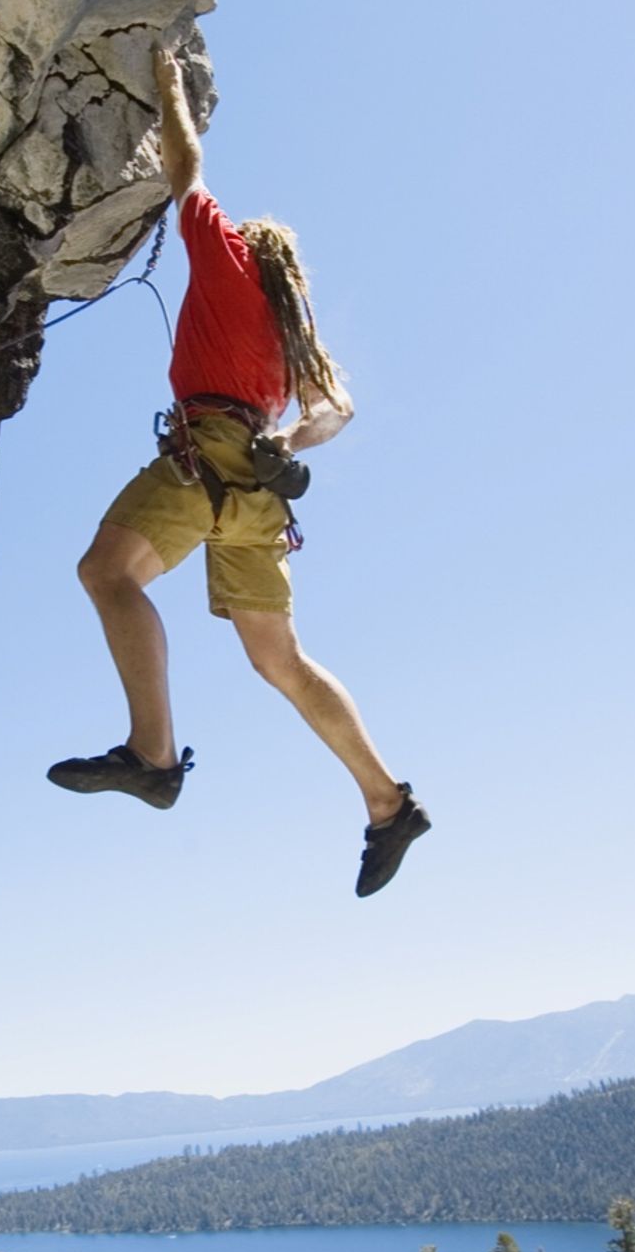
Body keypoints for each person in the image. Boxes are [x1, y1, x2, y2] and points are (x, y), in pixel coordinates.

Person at [46, 46, 430, 898]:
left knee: (107, 573)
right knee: (280, 659)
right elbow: (338, 410)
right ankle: (387, 801)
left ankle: (153, 755)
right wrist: (289, 442)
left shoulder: (226, 257)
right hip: (259, 485)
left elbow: (186, 169)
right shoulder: (295, 336)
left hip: (206, 454)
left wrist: (169, 87)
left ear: (250, 249)